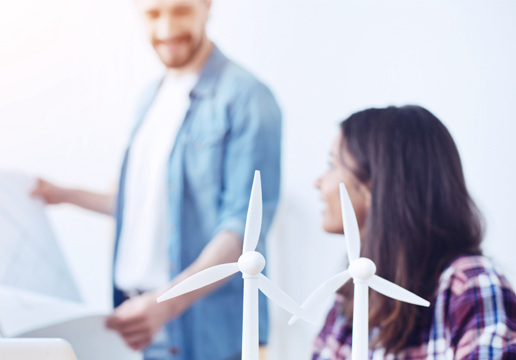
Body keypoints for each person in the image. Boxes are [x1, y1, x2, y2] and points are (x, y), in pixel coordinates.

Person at [31, 0, 282, 358]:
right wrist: (63, 194)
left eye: (180, 10)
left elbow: (243, 230)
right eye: (153, 13)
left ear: (207, 6)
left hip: (203, 332)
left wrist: (166, 304)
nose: (166, 29)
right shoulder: (150, 97)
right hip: (139, 324)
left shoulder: (247, 98)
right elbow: (143, 204)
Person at [312, 105, 516, 359]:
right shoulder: (350, 295)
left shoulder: (470, 285)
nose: (318, 181)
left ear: (375, 183)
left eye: (331, 165)